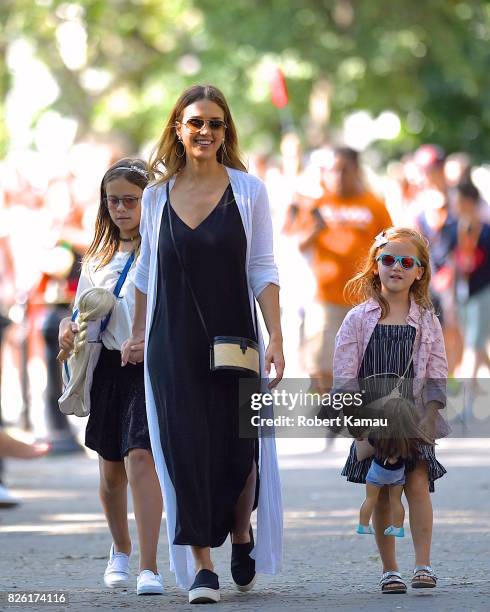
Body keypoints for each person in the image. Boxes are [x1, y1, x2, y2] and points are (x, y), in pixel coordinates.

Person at [121, 84, 284, 604]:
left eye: (215, 123)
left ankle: (241, 530)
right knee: (184, 445)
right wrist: (137, 333)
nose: (205, 132)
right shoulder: (153, 196)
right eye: (196, 122)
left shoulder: (250, 191)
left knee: (240, 442)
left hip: (236, 333)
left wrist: (276, 333)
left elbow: (262, 267)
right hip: (173, 340)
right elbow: (146, 270)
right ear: (178, 128)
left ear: (226, 131)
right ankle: (202, 566)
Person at [58, 158, 164, 596]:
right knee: (110, 471)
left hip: (148, 367)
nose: (121, 209)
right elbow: (82, 312)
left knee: (142, 456)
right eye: (113, 201)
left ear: (149, 202)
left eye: (131, 200)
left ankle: (149, 566)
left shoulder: (162, 248)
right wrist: (68, 327)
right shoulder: (97, 255)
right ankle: (119, 549)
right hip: (105, 369)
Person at [334, 227, 449, 594]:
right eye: (387, 259)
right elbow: (345, 373)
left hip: (413, 419)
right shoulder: (358, 319)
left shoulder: (427, 321)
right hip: (373, 419)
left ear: (419, 272)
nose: (395, 266)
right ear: (375, 267)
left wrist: (430, 416)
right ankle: (390, 569)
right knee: (383, 491)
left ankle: (423, 565)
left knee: (417, 484)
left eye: (405, 261)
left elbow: (436, 370)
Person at [297, 146, 392, 392]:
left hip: (363, 300)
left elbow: (390, 247)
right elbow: (300, 244)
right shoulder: (319, 203)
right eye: (333, 171)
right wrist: (315, 230)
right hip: (326, 300)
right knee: (321, 365)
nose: (338, 176)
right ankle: (330, 417)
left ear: (356, 170)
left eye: (344, 170)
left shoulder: (374, 205)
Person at [356, 399, 434, 538]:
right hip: (397, 474)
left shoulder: (378, 434)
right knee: (396, 501)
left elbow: (366, 441)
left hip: (378, 472)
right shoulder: (410, 438)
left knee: (370, 499)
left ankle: (363, 525)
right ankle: (398, 527)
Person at [454, 181, 490, 381]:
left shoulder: (485, 230)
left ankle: (468, 398)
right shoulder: (456, 228)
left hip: (483, 291)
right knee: (475, 342)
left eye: (457, 200)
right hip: (464, 293)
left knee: (474, 344)